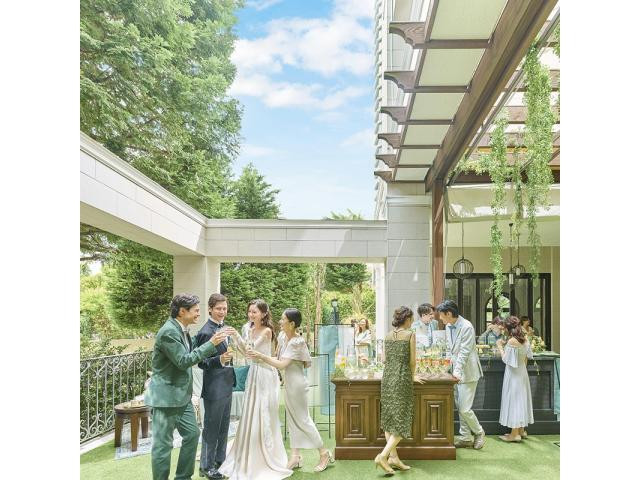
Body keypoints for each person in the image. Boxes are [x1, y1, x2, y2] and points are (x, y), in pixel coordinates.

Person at [145, 293, 227, 480]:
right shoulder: (169, 332)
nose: (199, 314)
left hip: (182, 397)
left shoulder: (182, 329)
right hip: (166, 399)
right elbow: (183, 361)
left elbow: (191, 350)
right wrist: (211, 344)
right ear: (182, 311)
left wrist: (210, 341)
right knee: (163, 446)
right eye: (196, 310)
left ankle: (183, 477)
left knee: (192, 434)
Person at [249, 308, 334, 473]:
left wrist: (261, 356)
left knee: (303, 420)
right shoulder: (282, 336)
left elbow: (282, 364)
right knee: (292, 419)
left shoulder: (297, 342)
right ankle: (295, 456)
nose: (280, 322)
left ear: (292, 324)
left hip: (298, 385)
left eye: (283, 320)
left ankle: (324, 453)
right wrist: (261, 358)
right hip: (288, 384)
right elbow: (277, 358)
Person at [217, 299, 292, 480]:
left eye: (255, 312)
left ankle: (265, 454)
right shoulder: (248, 329)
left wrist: (236, 335)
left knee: (263, 412)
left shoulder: (267, 331)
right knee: (251, 411)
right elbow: (245, 353)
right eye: (249, 311)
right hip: (254, 373)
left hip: (266, 374)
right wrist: (238, 337)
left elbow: (250, 351)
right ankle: (248, 450)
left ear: (263, 314)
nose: (251, 315)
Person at [375, 306, 424, 475]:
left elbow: (384, 359)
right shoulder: (410, 335)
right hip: (402, 378)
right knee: (402, 420)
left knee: (389, 419)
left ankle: (394, 458)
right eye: (411, 319)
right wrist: (413, 376)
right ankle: (383, 456)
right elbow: (412, 362)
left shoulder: (388, 335)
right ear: (407, 319)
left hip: (387, 378)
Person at [194, 293, 236, 480]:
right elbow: (201, 362)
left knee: (224, 427)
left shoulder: (225, 328)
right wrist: (220, 359)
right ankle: (206, 466)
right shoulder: (205, 332)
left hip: (227, 384)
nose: (222, 312)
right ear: (210, 309)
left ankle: (220, 462)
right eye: (218, 308)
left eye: (224, 308)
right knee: (211, 429)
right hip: (214, 388)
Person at [437, 299, 485, 450]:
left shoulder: (467, 327)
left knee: (464, 408)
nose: (440, 318)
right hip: (454, 373)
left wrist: (456, 373)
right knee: (460, 407)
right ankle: (465, 437)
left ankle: (479, 432)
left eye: (441, 315)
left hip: (468, 373)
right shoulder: (449, 326)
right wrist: (446, 368)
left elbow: (464, 352)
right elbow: (450, 350)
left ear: (448, 313)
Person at [496, 316, 535, 442]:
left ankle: (514, 434)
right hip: (522, 372)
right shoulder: (525, 339)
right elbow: (527, 356)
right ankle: (521, 430)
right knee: (521, 400)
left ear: (508, 328)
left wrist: (500, 346)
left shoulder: (512, 341)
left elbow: (506, 359)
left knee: (514, 401)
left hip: (513, 375)